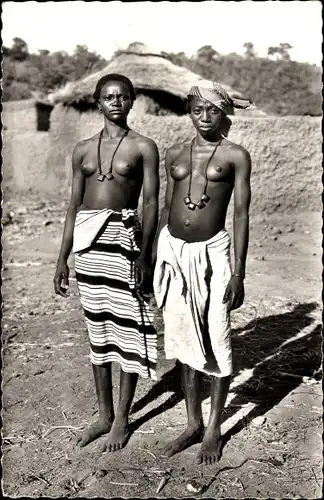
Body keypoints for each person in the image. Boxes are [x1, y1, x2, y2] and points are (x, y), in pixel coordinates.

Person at [54, 73, 160, 452]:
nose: (115, 102)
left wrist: (146, 255)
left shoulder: (144, 146)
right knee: (97, 331)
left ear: (132, 102)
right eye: (108, 97)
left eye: (122, 96)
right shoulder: (82, 149)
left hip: (124, 242)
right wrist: (62, 258)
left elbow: (150, 204)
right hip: (88, 247)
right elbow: (73, 205)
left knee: (129, 331)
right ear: (97, 103)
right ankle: (102, 415)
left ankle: (122, 418)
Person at [153, 80, 253, 465]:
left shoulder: (236, 156)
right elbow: (166, 208)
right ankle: (192, 423)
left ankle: (214, 429)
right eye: (198, 110)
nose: (205, 117)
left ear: (224, 113)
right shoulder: (175, 153)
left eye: (213, 110)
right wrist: (149, 256)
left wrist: (238, 273)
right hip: (174, 252)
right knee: (182, 337)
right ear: (189, 113)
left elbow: (241, 214)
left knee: (216, 337)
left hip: (213, 256)